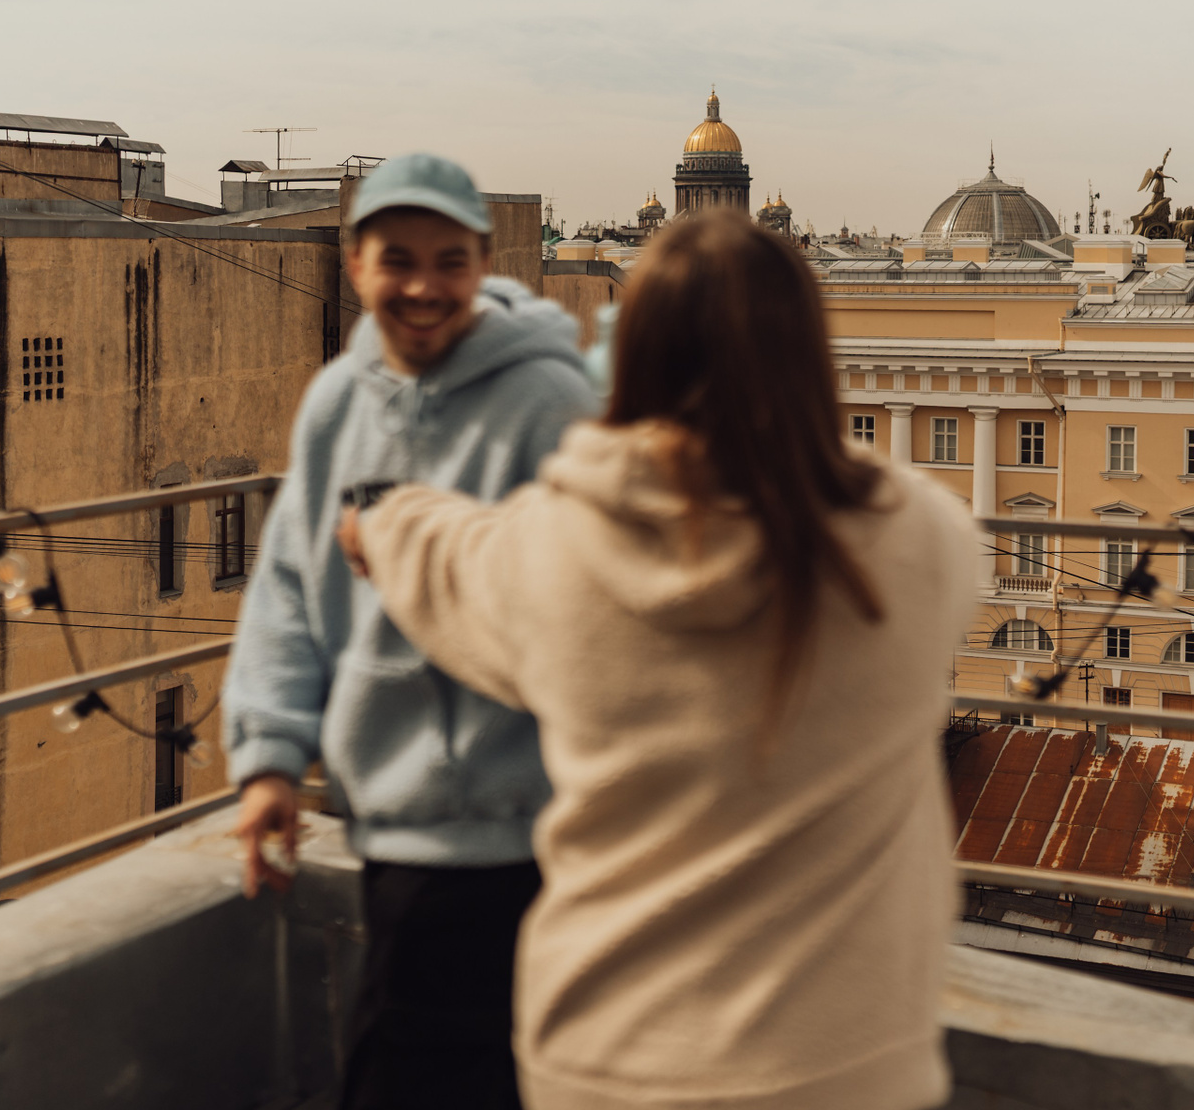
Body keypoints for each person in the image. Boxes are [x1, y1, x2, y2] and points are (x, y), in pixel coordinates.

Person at [340, 211, 980, 1110]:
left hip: (608, 1053)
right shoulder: (923, 541)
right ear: (808, 353)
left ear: (633, 352)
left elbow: (436, 549)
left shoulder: (551, 548)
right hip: (846, 1063)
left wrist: (376, 522)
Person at [222, 153, 598, 1110]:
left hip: (526, 835)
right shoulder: (336, 404)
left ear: (482, 266)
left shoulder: (550, 404)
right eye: (399, 260)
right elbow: (288, 587)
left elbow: (588, 607)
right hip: (395, 832)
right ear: (356, 265)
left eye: (449, 261)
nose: (424, 287)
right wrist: (269, 760)